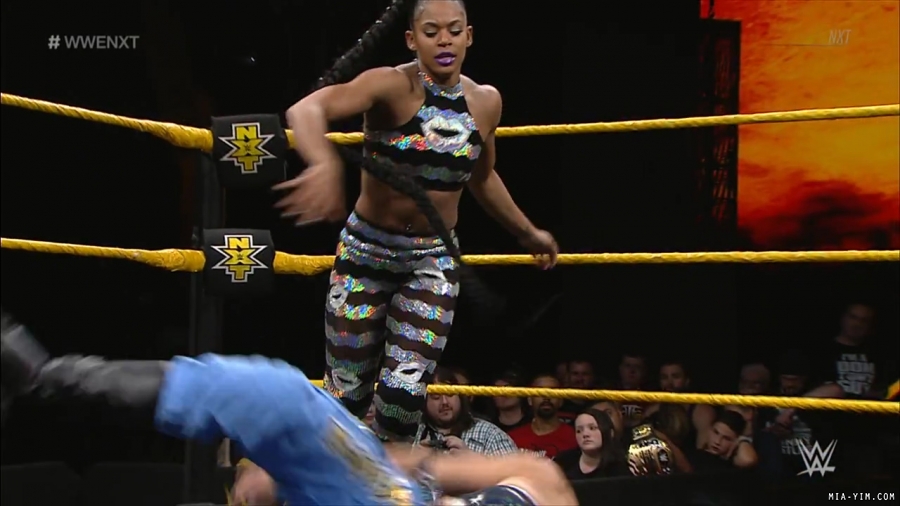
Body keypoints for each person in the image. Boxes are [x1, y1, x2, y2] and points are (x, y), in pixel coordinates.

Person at [274, 0, 559, 442]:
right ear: (412, 39)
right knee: (346, 392)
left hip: (431, 260)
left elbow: (483, 178)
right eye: (431, 31)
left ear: (469, 36)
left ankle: (395, 479)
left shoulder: (485, 102)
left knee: (404, 395)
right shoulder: (390, 85)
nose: (444, 41)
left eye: (454, 30)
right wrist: (323, 163)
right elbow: (305, 110)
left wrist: (527, 232)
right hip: (366, 252)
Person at [0, 310, 577, 506]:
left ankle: (48, 381)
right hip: (389, 489)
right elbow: (536, 476)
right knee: (291, 400)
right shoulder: (535, 486)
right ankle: (50, 381)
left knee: (284, 399)